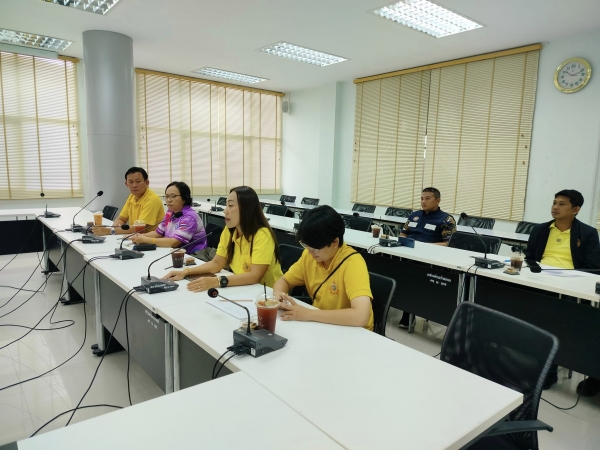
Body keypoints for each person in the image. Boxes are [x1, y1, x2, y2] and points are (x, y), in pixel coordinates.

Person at [525, 189, 600, 395]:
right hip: (539, 283)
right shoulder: (540, 230)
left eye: (562, 204)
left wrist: (567, 277)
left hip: (570, 288)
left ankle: (548, 373)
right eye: (554, 202)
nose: (555, 207)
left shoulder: (587, 233)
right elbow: (530, 258)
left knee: (556, 324)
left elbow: (593, 267)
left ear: (575, 210)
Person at [163, 185, 283, 292]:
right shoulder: (230, 230)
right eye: (226, 205)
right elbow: (216, 263)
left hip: (268, 294)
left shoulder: (262, 235)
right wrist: (186, 272)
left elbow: (254, 276)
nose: (225, 211)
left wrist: (217, 281)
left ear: (247, 209)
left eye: (230, 205)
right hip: (243, 287)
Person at [272, 205, 374, 330]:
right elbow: (285, 281)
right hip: (323, 324)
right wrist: (279, 294)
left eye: (316, 247)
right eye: (306, 244)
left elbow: (361, 317)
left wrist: (309, 314)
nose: (310, 251)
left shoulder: (353, 263)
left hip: (353, 331)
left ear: (335, 242)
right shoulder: (310, 255)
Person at [398, 187, 457, 328]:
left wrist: (423, 247)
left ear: (437, 201)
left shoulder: (446, 219)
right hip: (408, 254)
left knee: (412, 280)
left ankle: (409, 313)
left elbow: (449, 243)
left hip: (429, 260)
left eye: (427, 198)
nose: (423, 201)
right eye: (422, 198)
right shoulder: (414, 215)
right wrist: (404, 241)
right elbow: (403, 233)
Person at [130, 181, 207, 253]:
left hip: (192, 255)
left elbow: (174, 243)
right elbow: (158, 233)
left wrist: (146, 240)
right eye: (167, 196)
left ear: (184, 199)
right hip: (171, 251)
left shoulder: (189, 217)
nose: (169, 200)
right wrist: (140, 236)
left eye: (173, 196)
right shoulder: (170, 212)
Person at [93, 167, 164, 235]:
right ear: (126, 184)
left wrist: (109, 231)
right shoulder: (131, 197)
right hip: (135, 237)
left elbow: (140, 228)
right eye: (130, 182)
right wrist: (117, 226)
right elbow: (121, 219)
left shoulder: (152, 199)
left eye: (138, 181)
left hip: (151, 240)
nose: (134, 185)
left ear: (147, 183)